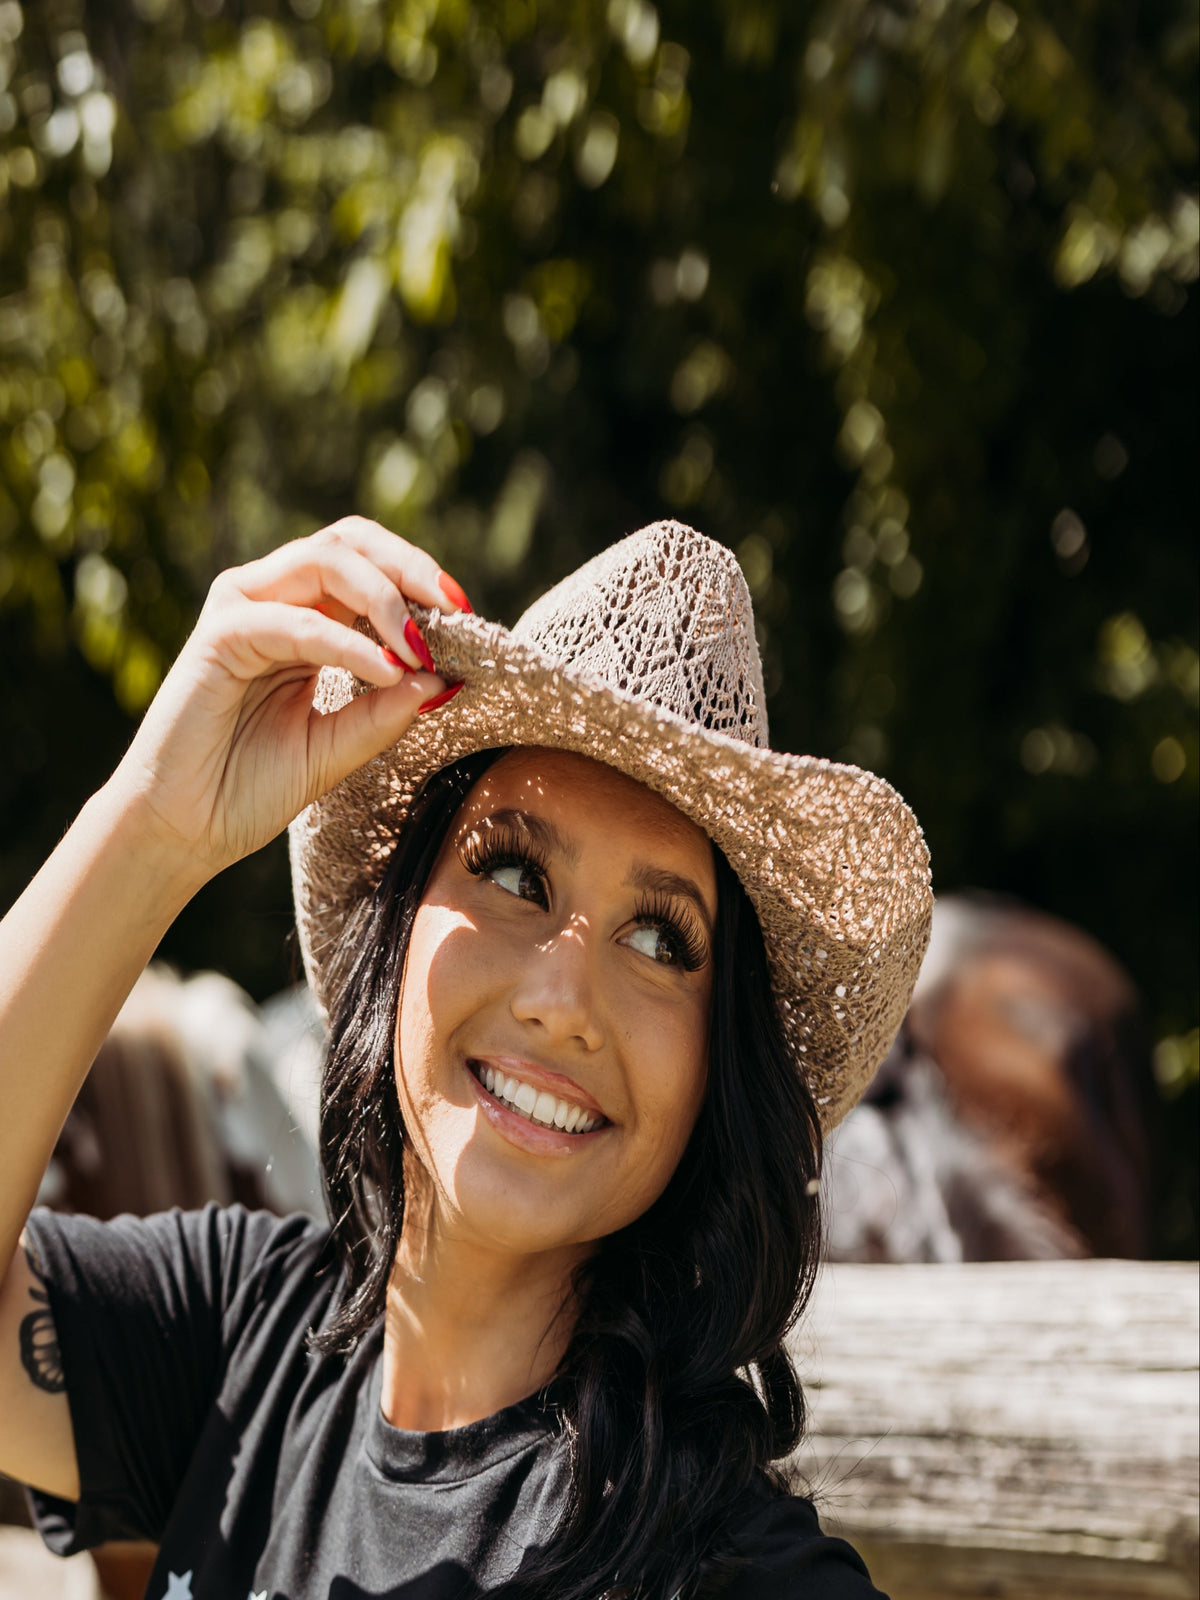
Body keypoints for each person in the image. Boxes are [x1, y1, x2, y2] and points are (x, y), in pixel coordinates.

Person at [0, 517, 932, 1599]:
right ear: (399, 924)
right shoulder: (234, 1343)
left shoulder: (735, 1576)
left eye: (660, 939)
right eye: (516, 877)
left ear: (717, 1075)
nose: (560, 1001)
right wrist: (156, 821)